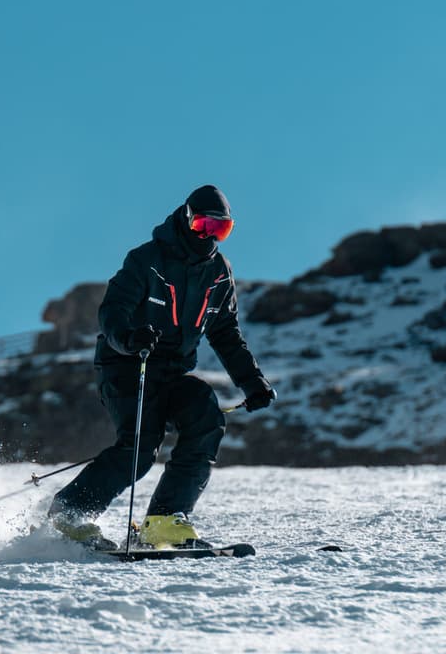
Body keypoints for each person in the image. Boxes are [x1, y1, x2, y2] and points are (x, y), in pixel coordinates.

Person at [47, 185, 276, 549]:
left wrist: (253, 383)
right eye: (203, 225)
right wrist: (129, 337)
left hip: (173, 372)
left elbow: (226, 334)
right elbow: (112, 311)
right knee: (140, 446)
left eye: (221, 230)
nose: (209, 236)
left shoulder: (219, 273)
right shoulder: (147, 259)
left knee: (206, 414)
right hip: (126, 365)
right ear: (186, 219)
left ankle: (164, 519)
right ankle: (69, 513)